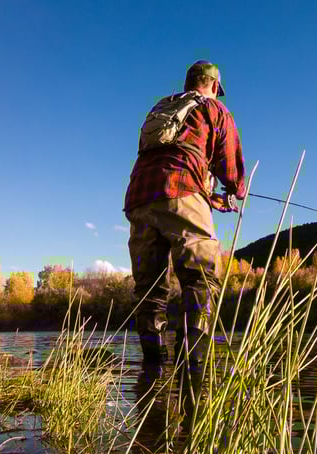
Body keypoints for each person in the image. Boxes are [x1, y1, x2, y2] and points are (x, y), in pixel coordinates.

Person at [123, 60, 246, 409]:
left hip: (139, 198)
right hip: (182, 191)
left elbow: (169, 158)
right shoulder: (214, 109)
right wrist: (236, 191)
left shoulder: (161, 108)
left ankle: (152, 377)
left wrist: (209, 196)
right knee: (200, 277)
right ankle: (192, 375)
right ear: (214, 86)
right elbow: (230, 168)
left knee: (149, 291)